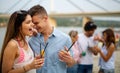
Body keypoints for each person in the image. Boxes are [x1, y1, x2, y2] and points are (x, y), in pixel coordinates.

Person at [28, 5, 75, 73]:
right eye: (33, 24)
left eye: (36, 23)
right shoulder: (32, 41)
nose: (34, 27)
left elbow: (72, 64)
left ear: (45, 18)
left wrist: (69, 60)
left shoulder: (65, 38)